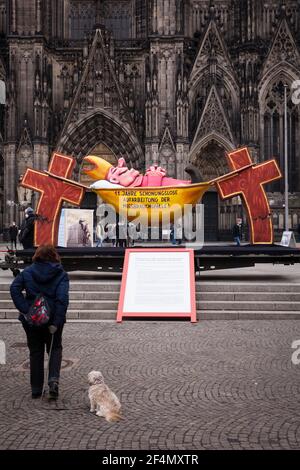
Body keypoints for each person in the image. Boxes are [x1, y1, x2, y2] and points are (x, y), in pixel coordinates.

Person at [10, 245, 69, 399]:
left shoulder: (28, 272)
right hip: (53, 318)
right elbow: (62, 299)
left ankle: (36, 389)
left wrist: (26, 310)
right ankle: (53, 382)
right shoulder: (60, 273)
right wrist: (56, 322)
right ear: (53, 256)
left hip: (32, 320)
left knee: (35, 352)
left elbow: (14, 288)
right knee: (54, 349)